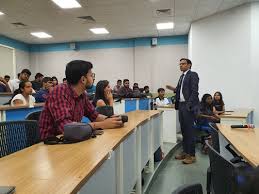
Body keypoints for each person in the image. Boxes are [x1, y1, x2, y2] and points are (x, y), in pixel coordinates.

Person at [39, 60, 123, 140]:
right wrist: (102, 124)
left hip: (69, 139)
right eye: (91, 75)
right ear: (83, 79)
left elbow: (94, 115)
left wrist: (111, 120)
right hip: (51, 143)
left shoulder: (82, 94)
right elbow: (67, 128)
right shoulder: (59, 92)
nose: (93, 78)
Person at [166, 58, 199, 164]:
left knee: (190, 131)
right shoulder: (181, 76)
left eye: (183, 64)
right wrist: (172, 89)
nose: (181, 65)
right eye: (180, 64)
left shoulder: (193, 74)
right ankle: (185, 152)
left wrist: (189, 105)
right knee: (184, 130)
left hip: (188, 106)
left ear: (189, 65)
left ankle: (192, 155)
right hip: (181, 105)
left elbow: (194, 92)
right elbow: (179, 90)